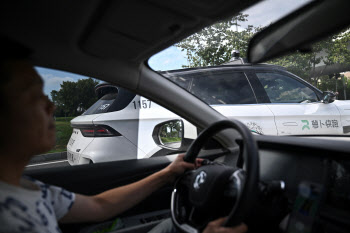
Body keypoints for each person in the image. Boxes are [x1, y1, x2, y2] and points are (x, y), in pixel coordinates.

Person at [0, 39, 247, 233]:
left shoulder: (31, 189)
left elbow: (99, 206)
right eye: (33, 95)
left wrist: (166, 174)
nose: (51, 106)